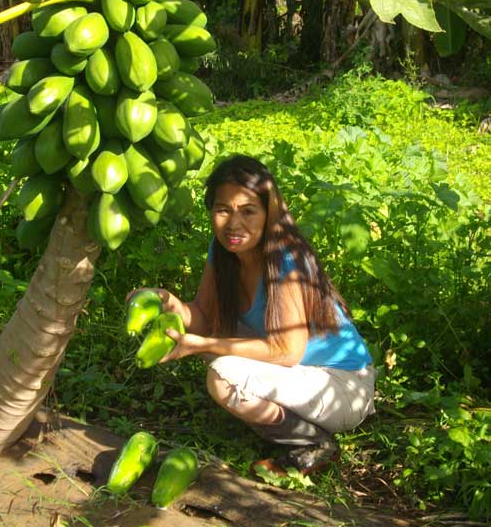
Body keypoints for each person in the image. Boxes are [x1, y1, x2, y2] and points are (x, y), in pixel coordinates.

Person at [130, 154, 376, 476]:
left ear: (268, 212)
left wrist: (206, 345)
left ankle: (312, 443)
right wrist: (173, 305)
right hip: (302, 375)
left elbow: (287, 351)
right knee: (217, 351)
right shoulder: (222, 250)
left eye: (248, 211)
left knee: (221, 375)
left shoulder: (285, 258)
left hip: (342, 387)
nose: (234, 224)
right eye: (223, 210)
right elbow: (205, 316)